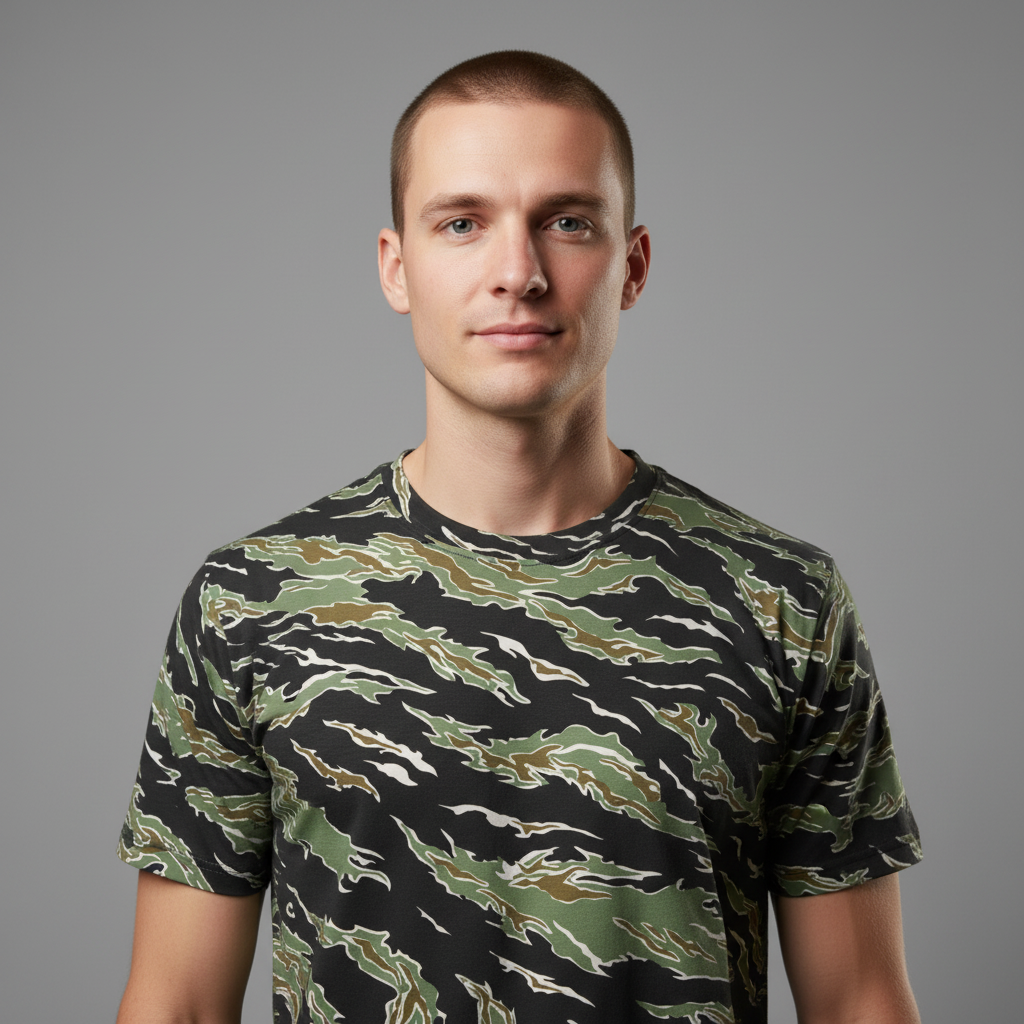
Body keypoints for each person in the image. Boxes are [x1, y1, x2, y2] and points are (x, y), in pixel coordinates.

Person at [116, 50, 922, 1024]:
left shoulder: (782, 601)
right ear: (396, 267)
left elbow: (860, 1001)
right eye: (463, 223)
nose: (518, 274)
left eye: (567, 222)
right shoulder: (251, 601)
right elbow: (177, 1003)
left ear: (631, 265)